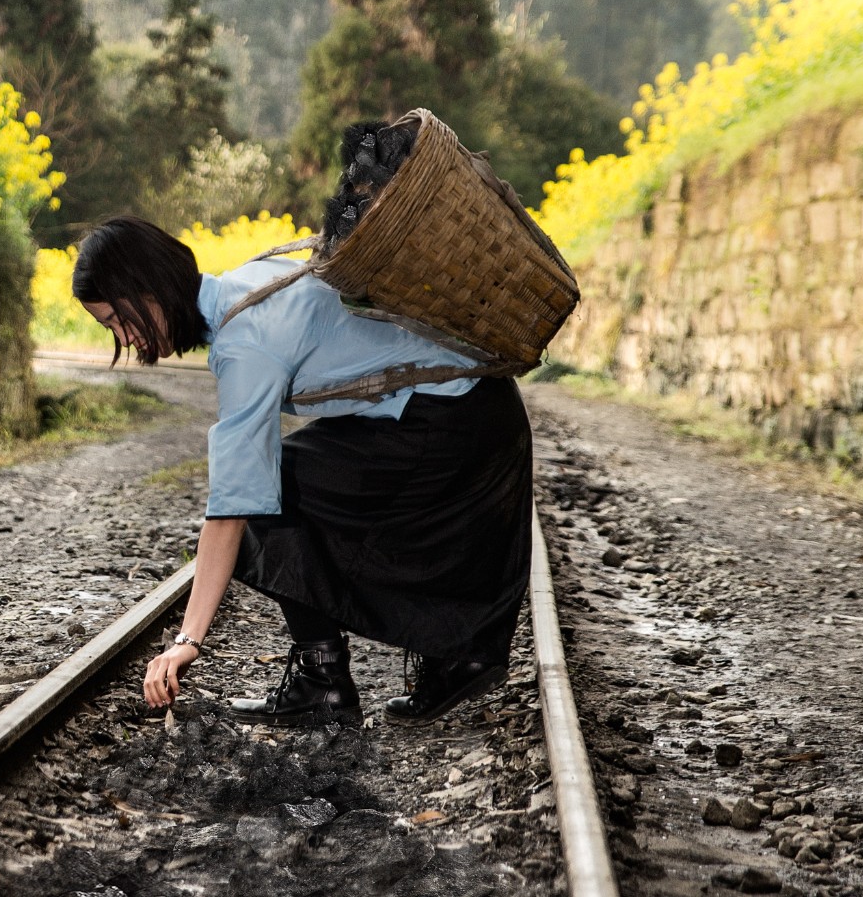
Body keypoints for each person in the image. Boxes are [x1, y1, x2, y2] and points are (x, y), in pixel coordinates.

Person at [71, 216, 531, 725]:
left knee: (272, 487)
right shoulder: (247, 282)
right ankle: (437, 655)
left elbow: (231, 509)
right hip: (473, 406)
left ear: (149, 289)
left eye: (118, 319)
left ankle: (326, 679)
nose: (124, 338)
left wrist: (187, 641)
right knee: (287, 474)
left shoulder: (244, 342)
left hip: (456, 422)